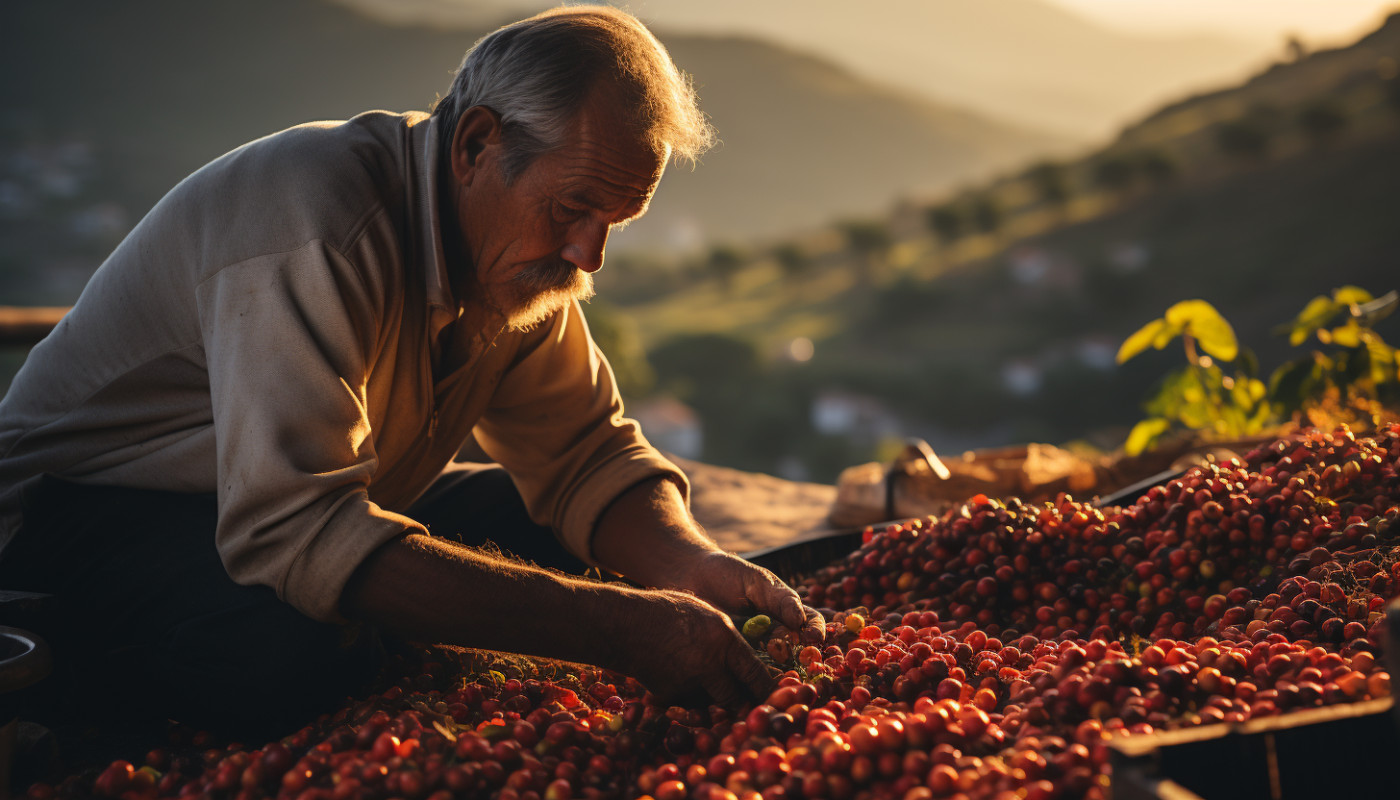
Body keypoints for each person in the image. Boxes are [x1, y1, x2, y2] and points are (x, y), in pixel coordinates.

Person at [0, 5, 821, 738]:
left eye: (617, 219)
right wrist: (616, 629)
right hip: (77, 513)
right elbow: (296, 529)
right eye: (573, 209)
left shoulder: (519, 260)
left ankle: (388, 630)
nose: (589, 254)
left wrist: (685, 563)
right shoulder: (317, 226)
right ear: (475, 145)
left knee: (543, 529)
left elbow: (586, 455)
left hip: (287, 500)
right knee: (281, 652)